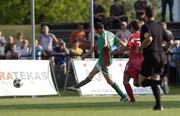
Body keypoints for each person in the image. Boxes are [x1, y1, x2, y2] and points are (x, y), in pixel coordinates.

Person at [67, 22, 128, 102]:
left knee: (108, 80)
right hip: (104, 60)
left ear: (99, 29)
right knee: (93, 75)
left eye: (96, 30)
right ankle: (76, 87)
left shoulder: (102, 37)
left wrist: (85, 55)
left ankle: (123, 96)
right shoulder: (110, 34)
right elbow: (118, 41)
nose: (96, 32)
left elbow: (94, 48)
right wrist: (123, 45)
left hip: (104, 61)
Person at [135, 6, 173, 110]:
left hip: (151, 56)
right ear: (154, 14)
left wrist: (140, 48)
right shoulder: (160, 26)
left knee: (141, 82)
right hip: (161, 57)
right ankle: (158, 105)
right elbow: (170, 41)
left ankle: (160, 83)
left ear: (145, 14)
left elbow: (149, 38)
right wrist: (165, 49)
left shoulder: (145, 26)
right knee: (153, 80)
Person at [115, 20, 143, 103]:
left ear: (132, 27)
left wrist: (116, 52)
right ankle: (155, 82)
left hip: (133, 63)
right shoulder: (143, 36)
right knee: (136, 84)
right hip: (143, 62)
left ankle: (132, 100)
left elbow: (127, 47)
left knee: (125, 81)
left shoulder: (132, 36)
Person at [160, 22, 174, 94]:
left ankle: (164, 84)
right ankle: (163, 84)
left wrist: (167, 49)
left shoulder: (168, 33)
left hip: (164, 54)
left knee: (165, 72)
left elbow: (171, 42)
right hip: (162, 54)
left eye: (163, 27)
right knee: (162, 72)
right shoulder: (159, 33)